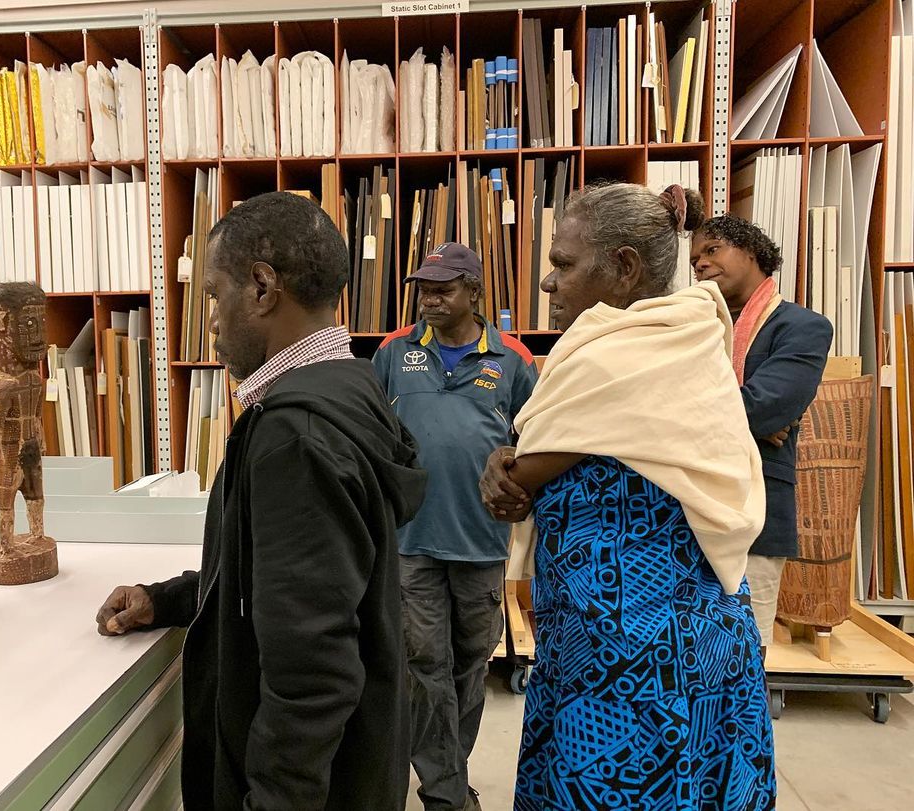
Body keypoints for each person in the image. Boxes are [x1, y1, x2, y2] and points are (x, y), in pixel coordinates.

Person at [94, 192, 427, 810]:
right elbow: (277, 577)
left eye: (216, 295)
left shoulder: (296, 437)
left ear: (262, 287)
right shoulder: (349, 388)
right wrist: (164, 600)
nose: (213, 321)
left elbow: (314, 674)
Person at [480, 183, 776, 810]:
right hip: (596, 648)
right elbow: (562, 449)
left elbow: (545, 459)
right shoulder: (630, 352)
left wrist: (512, 470)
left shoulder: (642, 354)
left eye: (563, 264)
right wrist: (513, 464)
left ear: (623, 267)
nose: (547, 283)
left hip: (646, 666)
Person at [373, 243, 537, 811]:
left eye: (443, 288)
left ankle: (448, 773)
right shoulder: (394, 353)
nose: (429, 298)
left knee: (470, 660)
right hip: (411, 539)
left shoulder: (513, 360)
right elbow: (373, 432)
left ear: (474, 292)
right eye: (423, 288)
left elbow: (534, 444)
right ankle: (446, 793)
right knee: (424, 664)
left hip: (482, 539)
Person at [691, 215, 832, 652]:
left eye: (712, 250)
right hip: (686, 509)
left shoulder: (802, 328)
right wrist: (742, 416)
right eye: (694, 259)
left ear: (750, 252)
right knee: (684, 658)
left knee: (742, 656)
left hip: (756, 515)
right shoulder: (692, 329)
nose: (699, 264)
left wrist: (701, 412)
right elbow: (654, 398)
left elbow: (768, 407)